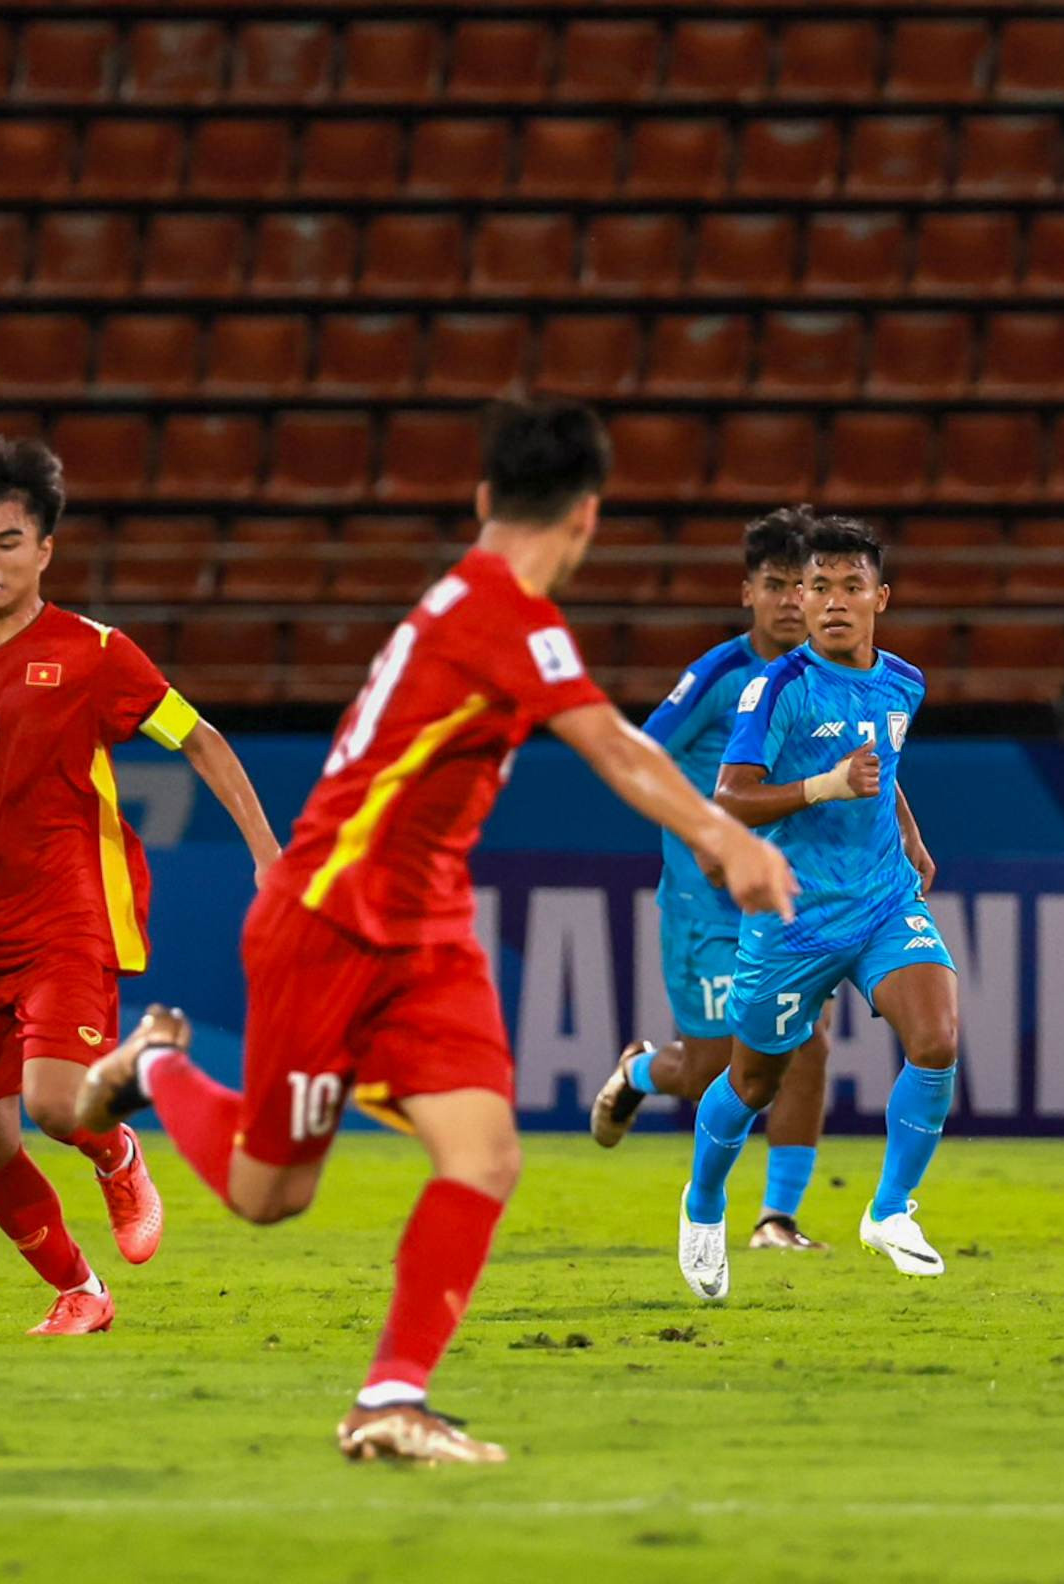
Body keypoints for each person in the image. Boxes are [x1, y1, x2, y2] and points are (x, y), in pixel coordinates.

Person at [75, 401, 797, 1464]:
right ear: (589, 517)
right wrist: (722, 837)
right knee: (269, 1194)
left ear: (483, 497)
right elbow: (610, 744)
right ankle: (156, 1066)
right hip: (327, 920)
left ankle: (389, 1399)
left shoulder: (471, 599)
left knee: (485, 1156)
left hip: (426, 931)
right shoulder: (501, 613)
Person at [0, 436, 282, 1335]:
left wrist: (266, 851)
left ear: (45, 550)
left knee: (52, 1103)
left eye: (7, 542)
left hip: (63, 909)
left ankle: (116, 1153)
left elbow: (199, 738)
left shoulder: (96, 654)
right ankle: (81, 1289)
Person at [677, 515, 958, 1302]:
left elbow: (882, 764)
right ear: (799, 598)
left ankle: (890, 1210)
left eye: (851, 586)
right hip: (793, 917)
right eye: (819, 587)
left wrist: (910, 835)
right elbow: (731, 796)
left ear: (880, 598)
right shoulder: (779, 687)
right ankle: (704, 1202)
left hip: (881, 901)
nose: (834, 601)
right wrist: (825, 786)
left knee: (936, 1039)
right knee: (752, 1083)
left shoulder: (904, 682)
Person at [590, 508, 834, 1251]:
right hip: (708, 908)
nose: (790, 600)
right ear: (747, 593)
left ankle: (776, 1219)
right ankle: (641, 1072)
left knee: (806, 1043)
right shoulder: (720, 676)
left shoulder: (829, 675)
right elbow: (639, 756)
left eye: (803, 586)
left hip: (789, 898)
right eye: (775, 585)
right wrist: (704, 831)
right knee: (713, 1071)